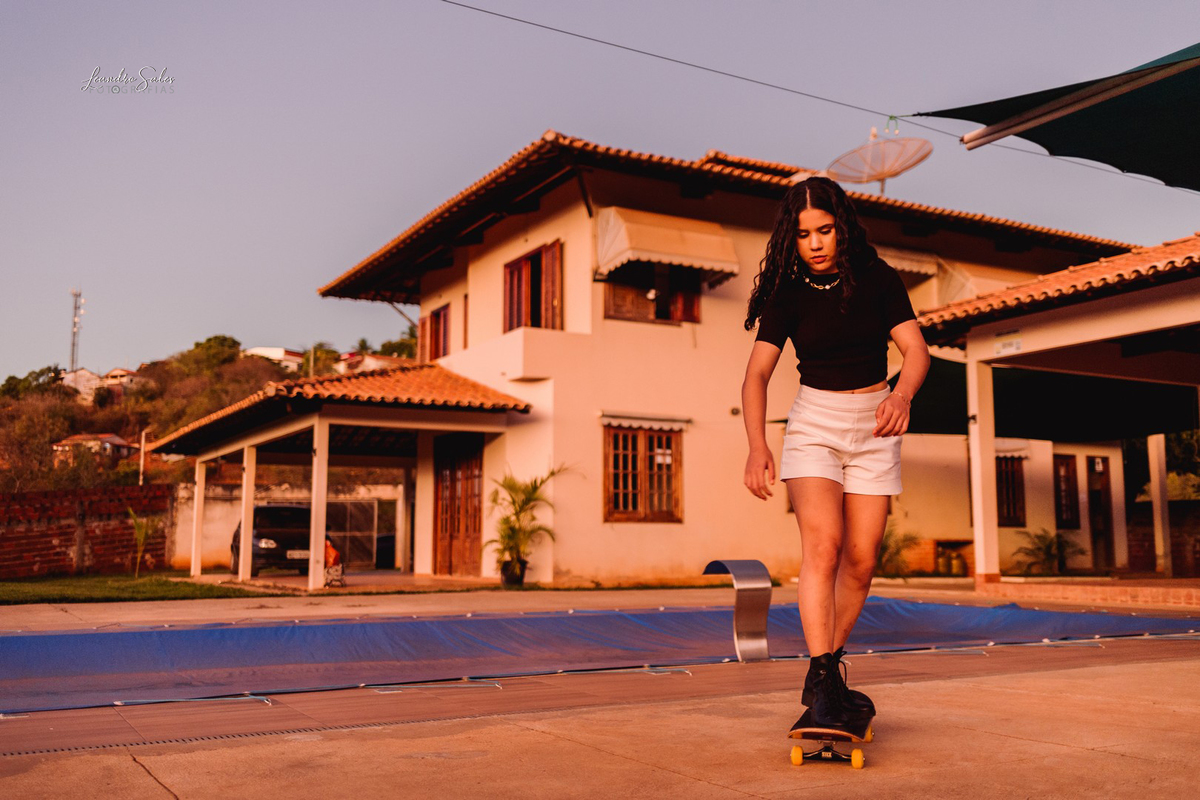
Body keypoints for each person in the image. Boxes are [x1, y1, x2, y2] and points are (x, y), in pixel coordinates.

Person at [740, 176, 930, 731]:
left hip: (876, 424)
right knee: (824, 546)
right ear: (792, 239)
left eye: (824, 230)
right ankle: (825, 679)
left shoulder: (878, 279)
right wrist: (757, 445)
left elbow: (916, 351)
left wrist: (901, 395)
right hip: (814, 425)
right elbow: (756, 376)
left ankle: (825, 673)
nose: (815, 243)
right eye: (803, 235)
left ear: (841, 228)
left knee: (862, 559)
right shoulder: (788, 292)